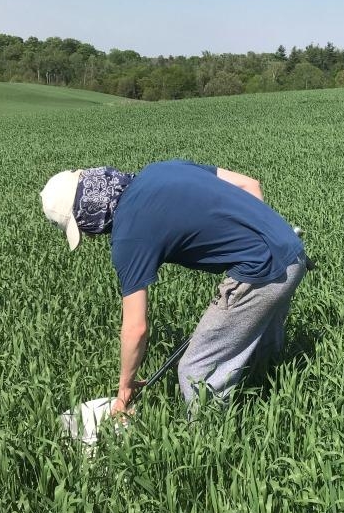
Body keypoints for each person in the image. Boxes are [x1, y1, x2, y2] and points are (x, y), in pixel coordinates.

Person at [40, 159, 310, 414]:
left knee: (196, 371)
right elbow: (249, 184)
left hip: (262, 272)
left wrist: (125, 387)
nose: (89, 235)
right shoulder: (159, 170)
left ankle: (210, 440)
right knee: (261, 349)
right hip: (290, 249)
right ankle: (271, 392)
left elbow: (136, 328)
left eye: (84, 227)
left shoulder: (129, 236)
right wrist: (265, 237)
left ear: (88, 212)